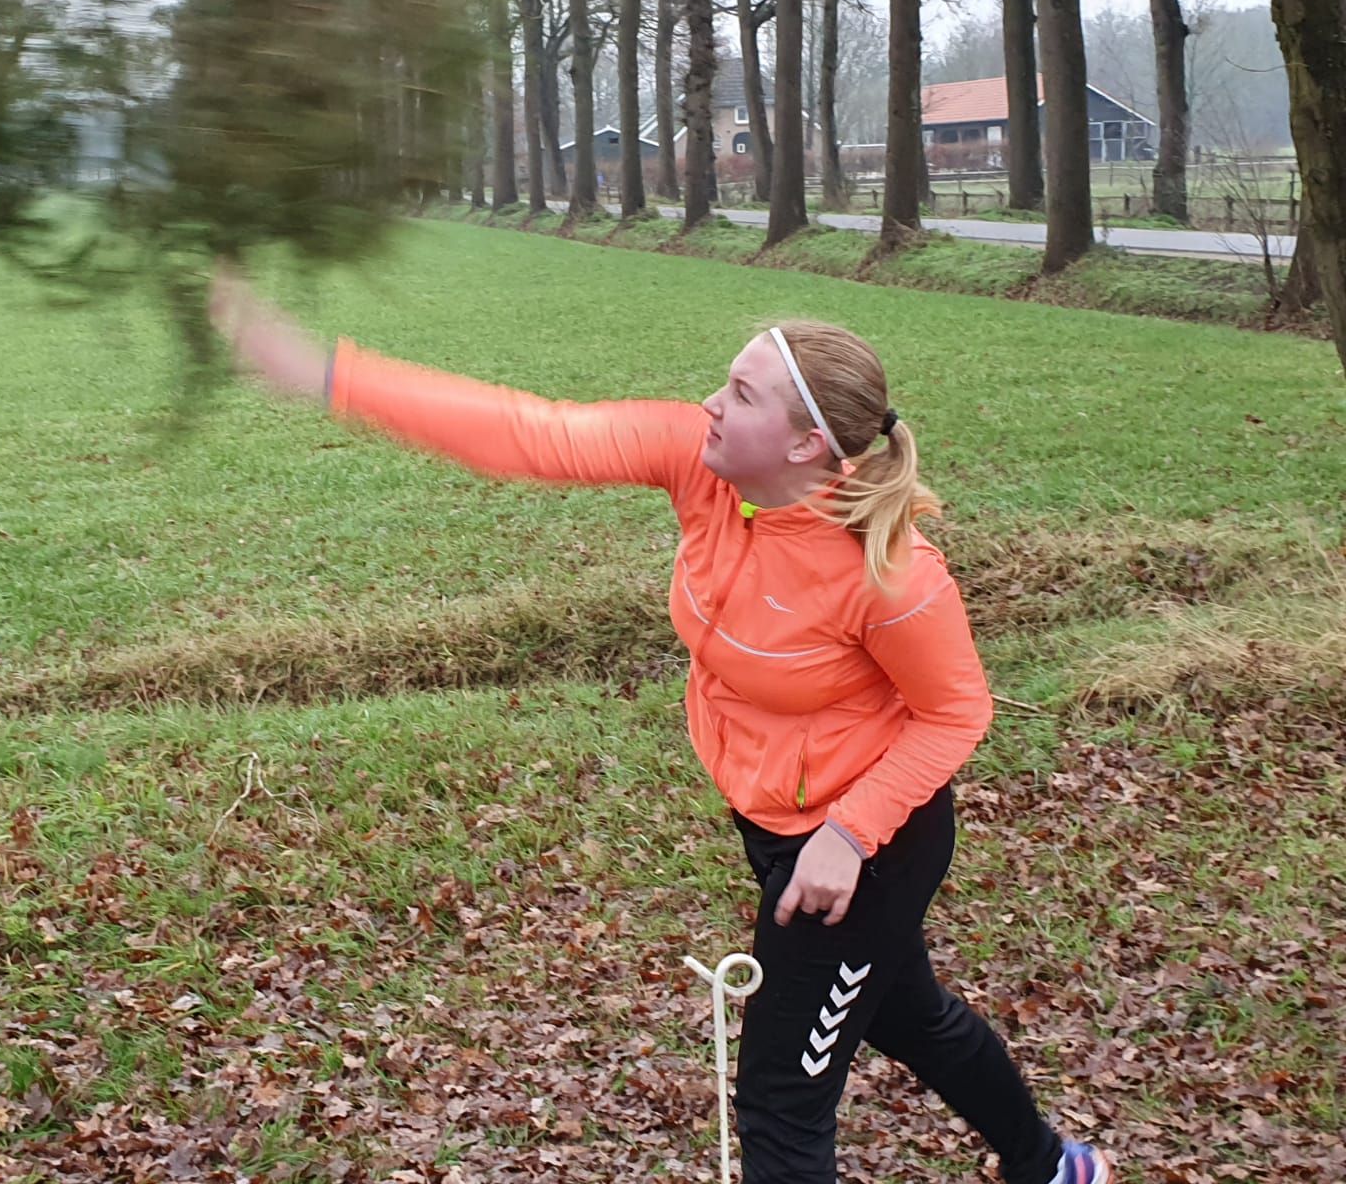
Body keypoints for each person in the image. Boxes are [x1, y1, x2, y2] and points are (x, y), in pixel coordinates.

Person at [208, 269, 1113, 1184]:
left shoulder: (893, 578)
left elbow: (956, 712)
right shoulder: (704, 464)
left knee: (781, 1104)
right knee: (910, 1014)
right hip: (776, 821)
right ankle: (1054, 1166)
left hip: (861, 858)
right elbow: (533, 433)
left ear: (806, 443)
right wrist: (330, 376)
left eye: (742, 395)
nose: (710, 404)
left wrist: (847, 835)